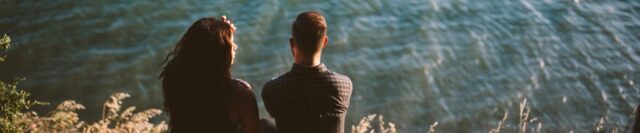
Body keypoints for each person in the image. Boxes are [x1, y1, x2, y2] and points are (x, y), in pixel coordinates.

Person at [160, 16, 259, 133]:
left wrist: (221, 30)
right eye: (230, 44)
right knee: (268, 126)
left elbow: (204, 71)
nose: (234, 47)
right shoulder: (241, 95)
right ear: (220, 56)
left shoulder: (174, 81)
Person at [261, 11, 353, 133]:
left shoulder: (272, 90)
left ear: (292, 44)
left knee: (264, 125)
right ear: (325, 42)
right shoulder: (344, 85)